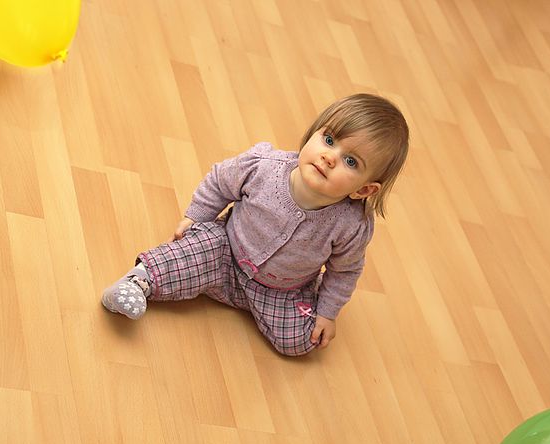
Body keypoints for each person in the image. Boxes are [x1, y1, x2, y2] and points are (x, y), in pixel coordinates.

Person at [101, 93, 409, 356]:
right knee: (190, 251)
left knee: (302, 341)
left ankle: (244, 300)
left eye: (350, 161)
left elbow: (345, 271)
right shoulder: (264, 167)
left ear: (364, 190)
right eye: (328, 140)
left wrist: (328, 313)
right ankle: (136, 283)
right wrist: (196, 216)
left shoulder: (351, 226)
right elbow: (220, 182)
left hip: (280, 290)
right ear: (313, 133)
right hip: (225, 252)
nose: (329, 157)